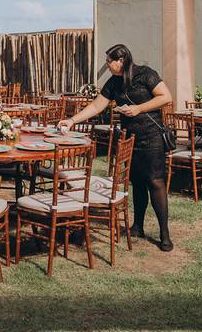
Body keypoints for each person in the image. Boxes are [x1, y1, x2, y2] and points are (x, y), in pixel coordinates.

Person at [58, 44, 174, 252]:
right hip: (130, 138)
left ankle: (164, 234)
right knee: (137, 183)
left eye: (108, 61)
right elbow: (96, 106)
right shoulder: (113, 83)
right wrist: (71, 120)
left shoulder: (146, 74)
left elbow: (166, 97)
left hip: (152, 137)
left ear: (121, 61)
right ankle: (138, 226)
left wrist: (137, 108)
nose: (107, 66)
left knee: (155, 182)